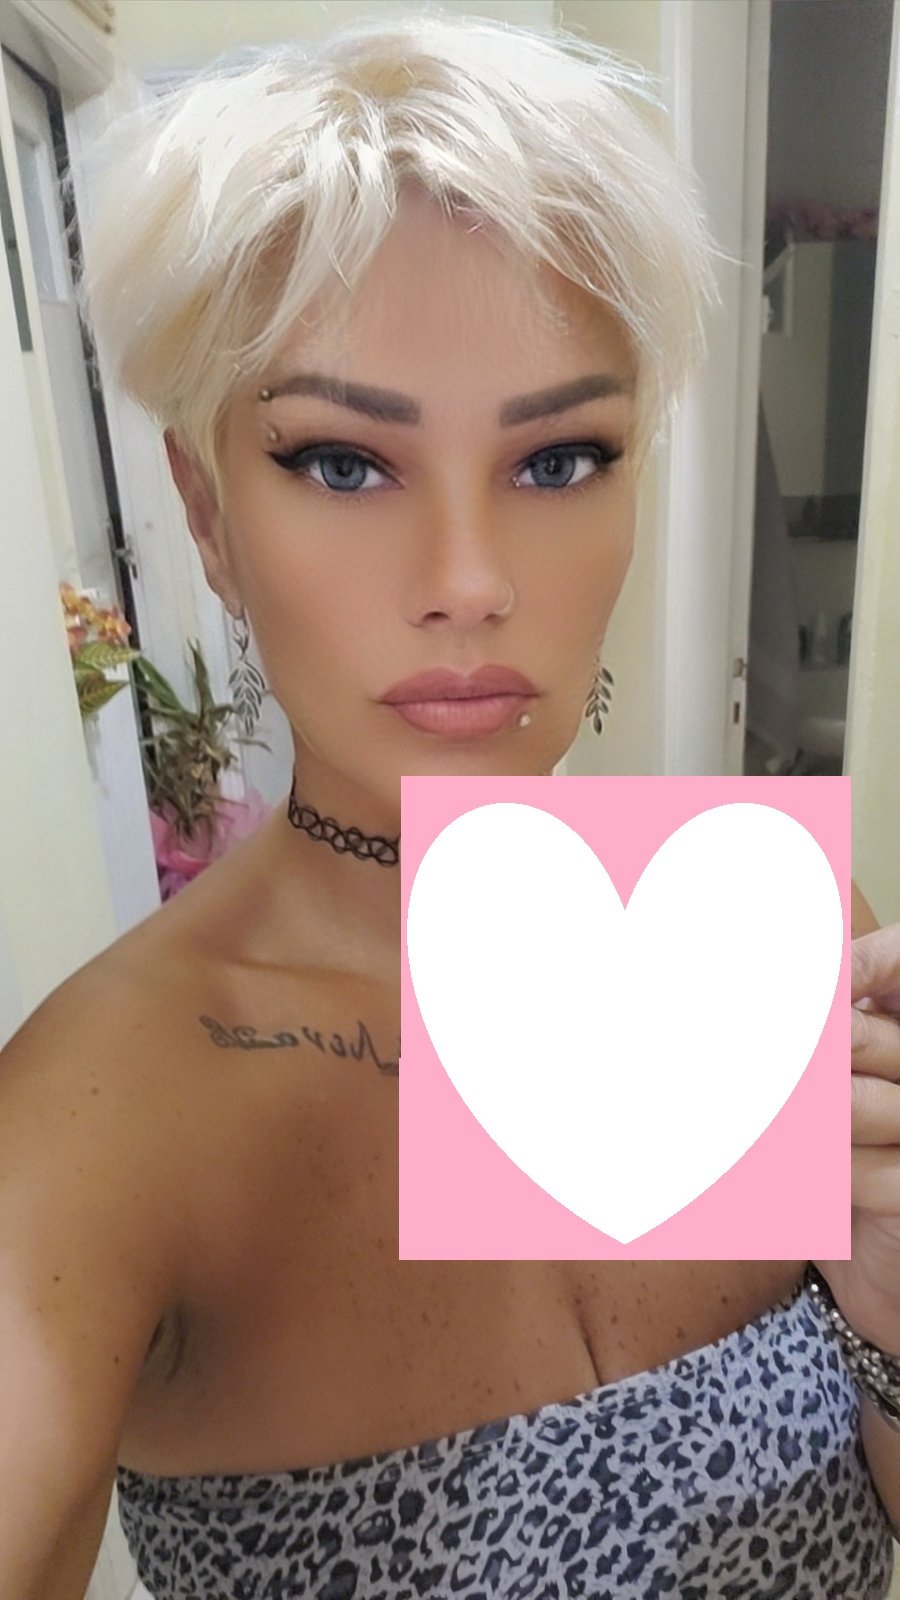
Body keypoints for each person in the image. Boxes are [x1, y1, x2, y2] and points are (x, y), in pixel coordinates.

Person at [2, 8, 899, 1598]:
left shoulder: (786, 937)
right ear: (206, 514)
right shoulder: (110, 1112)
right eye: (344, 463)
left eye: (560, 460)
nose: (471, 583)